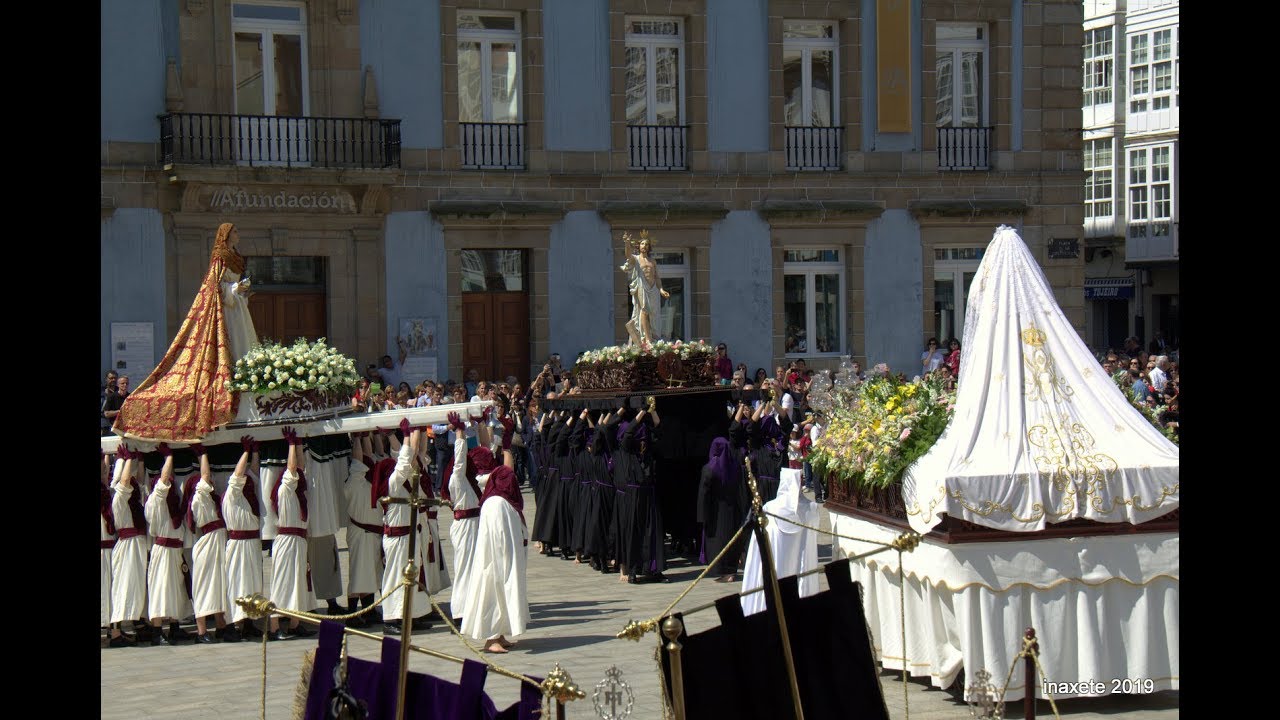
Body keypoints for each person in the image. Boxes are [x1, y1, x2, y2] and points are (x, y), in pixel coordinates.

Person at [114, 222, 258, 443]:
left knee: (244, 340)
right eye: (235, 232)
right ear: (227, 235)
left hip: (237, 307)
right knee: (234, 342)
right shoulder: (220, 256)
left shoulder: (236, 256)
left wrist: (241, 292)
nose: (238, 235)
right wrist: (234, 290)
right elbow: (216, 287)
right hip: (228, 308)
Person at [459, 445, 529, 653]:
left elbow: (507, 473)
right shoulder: (496, 503)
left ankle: (500, 634)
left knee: (502, 593)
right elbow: (499, 541)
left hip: (502, 562)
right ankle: (491, 639)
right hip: (495, 564)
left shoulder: (498, 494)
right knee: (493, 593)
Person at [377, 421, 431, 635]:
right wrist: (407, 435)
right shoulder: (393, 484)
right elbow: (404, 462)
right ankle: (391, 618)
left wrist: (416, 433)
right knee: (394, 577)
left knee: (413, 577)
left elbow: (415, 458)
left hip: (410, 535)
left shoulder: (407, 484)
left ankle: (412, 614)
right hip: (397, 537)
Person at [184, 444, 238, 643]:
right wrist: (202, 454)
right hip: (207, 544)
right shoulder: (199, 496)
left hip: (216, 541)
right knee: (205, 586)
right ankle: (201, 631)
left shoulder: (207, 497)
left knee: (218, 585)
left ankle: (221, 626)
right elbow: (205, 476)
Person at [144, 443, 195, 645]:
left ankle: (174, 628)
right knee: (160, 589)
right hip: (163, 550)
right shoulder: (155, 500)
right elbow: (164, 481)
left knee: (177, 589)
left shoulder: (168, 501)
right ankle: (157, 631)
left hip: (175, 549)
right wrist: (168, 457)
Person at [269, 426, 316, 640]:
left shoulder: (297, 493)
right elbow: (292, 468)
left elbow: (301, 467)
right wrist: (290, 445)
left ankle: (295, 623)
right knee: (282, 582)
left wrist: (298, 445)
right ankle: (274, 626)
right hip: (287, 541)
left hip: (298, 541)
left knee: (298, 582)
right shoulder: (285, 490)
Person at [223, 436, 266, 639]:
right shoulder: (232, 493)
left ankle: (249, 621)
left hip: (252, 543)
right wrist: (246, 452)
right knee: (238, 583)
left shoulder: (250, 489)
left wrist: (255, 453)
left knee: (252, 583)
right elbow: (238, 474)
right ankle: (235, 623)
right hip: (238, 545)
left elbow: (254, 472)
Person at [342, 432, 383, 628]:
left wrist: (366, 435)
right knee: (359, 572)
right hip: (360, 533)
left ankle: (368, 609)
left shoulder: (371, 482)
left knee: (371, 573)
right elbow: (359, 462)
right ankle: (351, 612)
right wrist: (356, 438)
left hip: (372, 533)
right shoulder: (355, 482)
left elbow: (374, 457)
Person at [698, 437, 749, 583]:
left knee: (718, 541)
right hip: (733, 510)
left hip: (716, 511)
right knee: (732, 540)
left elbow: (704, 493)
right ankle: (731, 571)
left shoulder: (709, 468)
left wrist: (702, 515)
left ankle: (723, 572)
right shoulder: (736, 467)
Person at [620, 230, 669, 345]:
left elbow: (657, 277)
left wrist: (661, 289)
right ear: (638, 245)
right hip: (642, 286)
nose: (645, 246)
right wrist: (627, 243)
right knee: (644, 309)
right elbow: (628, 254)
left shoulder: (653, 261)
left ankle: (653, 336)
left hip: (653, 289)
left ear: (649, 247)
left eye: (647, 244)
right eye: (642, 243)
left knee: (654, 314)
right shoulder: (636, 259)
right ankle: (647, 339)